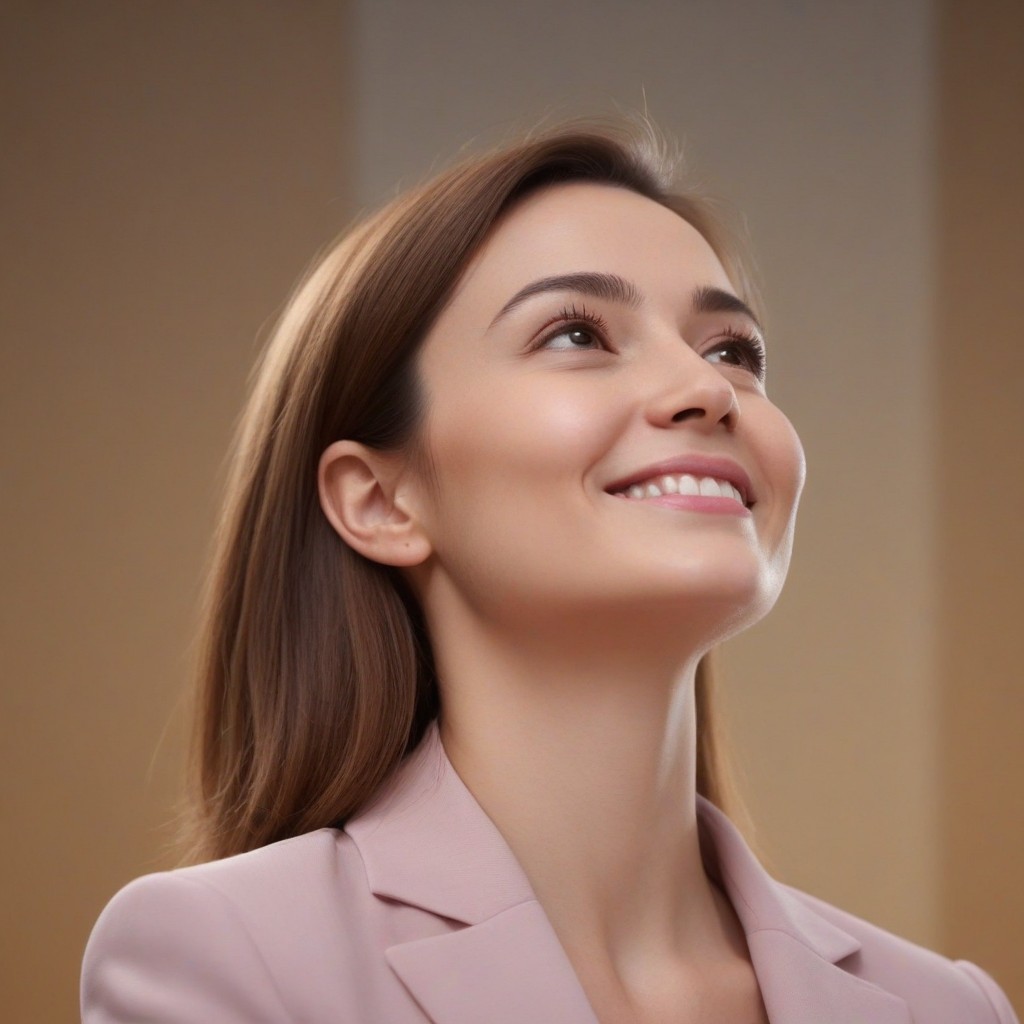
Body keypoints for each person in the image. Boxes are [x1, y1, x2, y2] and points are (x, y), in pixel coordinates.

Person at [81, 120, 1018, 1024]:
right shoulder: (226, 957)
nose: (703, 388)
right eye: (577, 335)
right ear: (379, 500)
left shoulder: (951, 1009)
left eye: (732, 351)